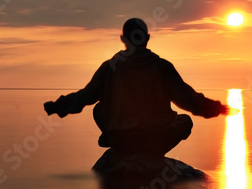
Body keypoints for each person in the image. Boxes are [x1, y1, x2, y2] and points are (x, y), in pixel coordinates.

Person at [43, 18, 229, 170]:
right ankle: (142, 154)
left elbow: (85, 97)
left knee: (100, 108)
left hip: (122, 140)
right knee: (185, 121)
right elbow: (190, 100)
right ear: (147, 38)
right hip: (155, 141)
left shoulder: (110, 68)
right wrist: (218, 108)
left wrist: (57, 106)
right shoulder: (161, 67)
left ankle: (115, 144)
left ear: (123, 39)